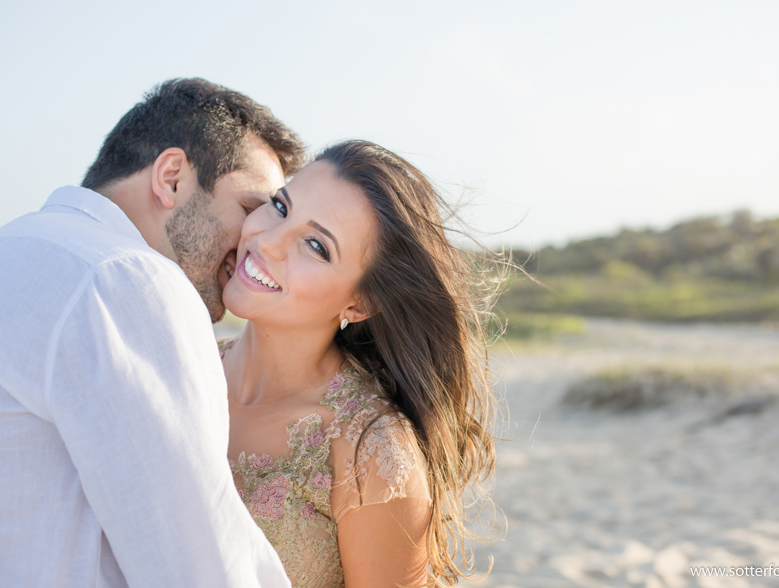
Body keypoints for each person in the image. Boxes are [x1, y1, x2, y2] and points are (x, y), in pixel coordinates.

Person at [0, 78, 304, 587]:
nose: (257, 242)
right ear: (171, 178)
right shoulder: (124, 279)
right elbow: (203, 569)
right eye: (252, 210)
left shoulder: (21, 251)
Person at [219, 140, 500, 588]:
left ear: (361, 302)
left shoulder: (370, 448)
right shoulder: (182, 364)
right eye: (279, 206)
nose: (268, 241)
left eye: (315, 245)